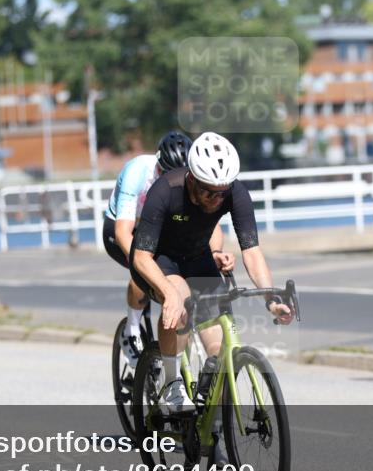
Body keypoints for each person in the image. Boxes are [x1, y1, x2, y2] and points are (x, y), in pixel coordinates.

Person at [130, 132, 293, 418]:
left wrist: (271, 297)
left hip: (198, 259)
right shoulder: (165, 190)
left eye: (222, 192)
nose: (216, 199)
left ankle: (209, 411)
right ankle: (172, 383)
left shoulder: (234, 192)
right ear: (192, 179)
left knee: (218, 346)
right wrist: (168, 292)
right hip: (160, 260)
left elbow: (252, 252)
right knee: (178, 300)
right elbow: (140, 257)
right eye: (208, 192)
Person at [103, 132, 227, 368]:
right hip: (124, 227)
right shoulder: (138, 171)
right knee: (142, 275)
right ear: (158, 164)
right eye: (166, 173)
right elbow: (123, 233)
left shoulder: (193, 185)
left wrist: (213, 254)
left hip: (158, 227)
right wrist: (143, 266)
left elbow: (210, 228)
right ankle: (131, 330)